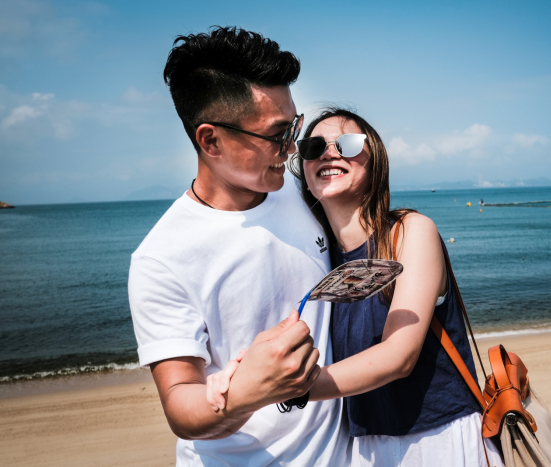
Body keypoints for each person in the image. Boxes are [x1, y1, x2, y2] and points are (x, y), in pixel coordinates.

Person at [128, 28, 348, 466]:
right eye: (277, 135)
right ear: (210, 141)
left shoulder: (302, 189)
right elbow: (179, 403)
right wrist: (249, 390)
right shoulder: (161, 258)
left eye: (294, 127)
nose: (291, 149)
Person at [289, 108, 504, 466]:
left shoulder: (409, 232)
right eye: (314, 146)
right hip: (364, 449)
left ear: (375, 161)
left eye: (347, 143)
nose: (329, 153)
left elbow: (398, 356)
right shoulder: (321, 263)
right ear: (306, 174)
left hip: (439, 440)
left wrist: (295, 389)